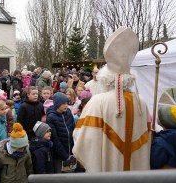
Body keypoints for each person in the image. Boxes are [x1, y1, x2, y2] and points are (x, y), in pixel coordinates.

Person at [73, 27, 151, 172]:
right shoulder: (142, 102)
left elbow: (84, 140)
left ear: (105, 79)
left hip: (108, 173)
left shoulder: (98, 101)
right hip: (137, 173)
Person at [46, 92, 75, 173]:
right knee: (60, 177)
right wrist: (65, 156)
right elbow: (55, 139)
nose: (66, 105)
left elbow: (74, 129)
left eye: (67, 103)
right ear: (57, 104)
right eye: (63, 104)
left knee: (71, 175)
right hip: (59, 155)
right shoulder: (51, 117)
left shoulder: (68, 113)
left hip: (71, 152)